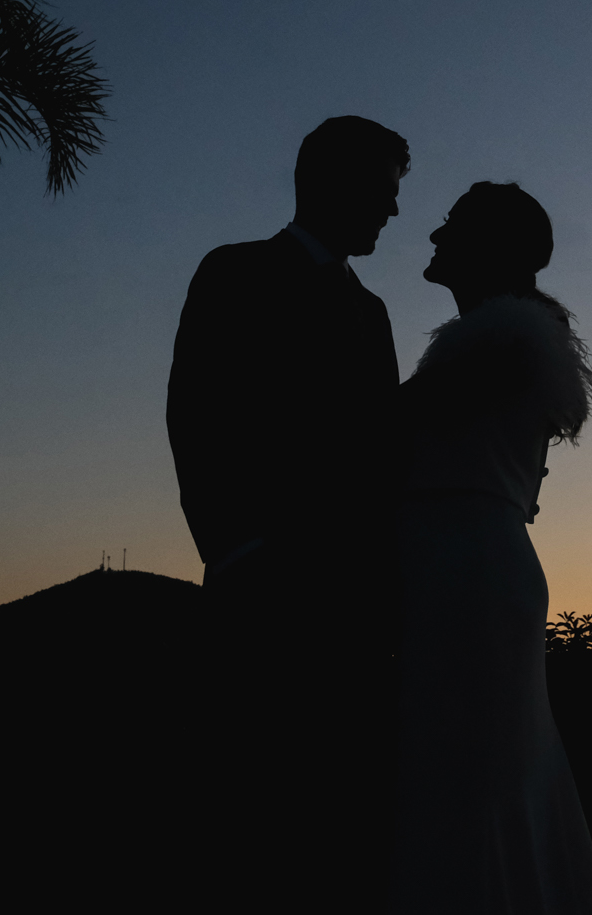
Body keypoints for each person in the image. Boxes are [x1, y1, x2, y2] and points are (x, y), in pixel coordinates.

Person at [166, 114, 409, 911]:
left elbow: (384, 455)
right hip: (260, 602)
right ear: (332, 182)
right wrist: (239, 551)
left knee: (340, 835)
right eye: (384, 189)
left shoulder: (373, 312)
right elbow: (194, 415)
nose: (394, 209)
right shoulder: (234, 273)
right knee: (253, 827)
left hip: (355, 614)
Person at [392, 181, 592, 914]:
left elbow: (380, 437)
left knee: (467, 771)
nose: (434, 237)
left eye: (451, 226)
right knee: (480, 765)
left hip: (465, 569)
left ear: (488, 247)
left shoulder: (495, 344)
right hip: (477, 561)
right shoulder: (511, 343)